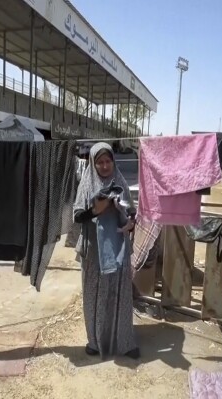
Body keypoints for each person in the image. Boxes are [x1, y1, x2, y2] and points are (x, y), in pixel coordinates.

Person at [73, 142, 140, 359]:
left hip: (118, 246)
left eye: (108, 161)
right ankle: (95, 341)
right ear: (93, 163)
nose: (104, 166)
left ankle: (125, 342)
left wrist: (131, 221)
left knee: (119, 294)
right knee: (94, 295)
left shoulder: (120, 181)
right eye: (99, 162)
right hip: (93, 250)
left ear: (113, 161)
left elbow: (132, 212)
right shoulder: (87, 183)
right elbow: (77, 215)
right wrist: (96, 210)